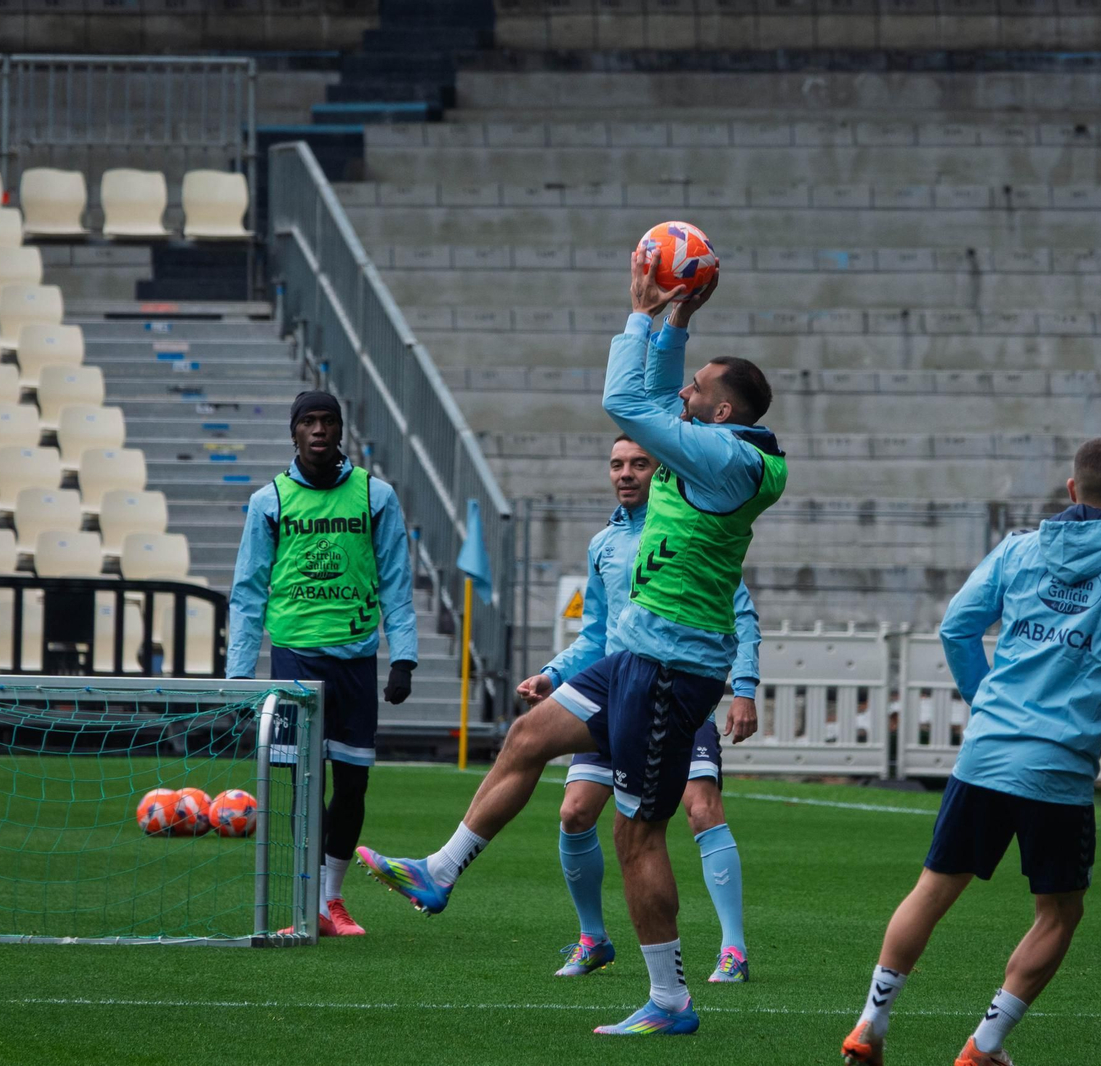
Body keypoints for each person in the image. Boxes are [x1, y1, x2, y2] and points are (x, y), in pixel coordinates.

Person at [358, 256, 786, 1037]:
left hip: (671, 670)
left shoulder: (729, 459)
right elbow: (655, 397)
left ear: (722, 414)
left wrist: (638, 313)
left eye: (697, 388)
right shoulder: (716, 443)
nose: (682, 394)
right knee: (529, 735)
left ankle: (670, 1001)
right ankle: (440, 872)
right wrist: (676, 318)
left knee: (636, 831)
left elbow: (626, 399)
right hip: (633, 653)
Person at [841, 437, 1101, 1066]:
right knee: (1059, 912)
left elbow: (956, 626)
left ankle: (869, 1025)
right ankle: (983, 1046)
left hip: (987, 754)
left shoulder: (1020, 549)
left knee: (932, 890)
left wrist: (985, 701)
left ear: (1071, 490)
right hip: (1058, 769)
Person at [521, 431, 761, 984]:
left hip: (675, 693)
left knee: (701, 807)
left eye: (639, 464)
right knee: (575, 812)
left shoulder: (687, 527)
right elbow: (596, 632)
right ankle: (592, 938)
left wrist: (743, 686)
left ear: (662, 470)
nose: (626, 473)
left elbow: (740, 614)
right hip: (612, 697)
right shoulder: (603, 543)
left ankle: (733, 948)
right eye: (616, 465)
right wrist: (554, 674)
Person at [226, 390, 418, 937]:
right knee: (299, 783)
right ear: (293, 433)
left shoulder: (374, 496)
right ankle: (306, 901)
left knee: (352, 785)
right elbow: (248, 593)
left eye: (327, 421)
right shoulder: (271, 501)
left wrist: (403, 656)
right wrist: (240, 677)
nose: (318, 431)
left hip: (356, 661)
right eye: (308, 422)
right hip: (294, 660)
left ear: (341, 430)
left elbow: (396, 582)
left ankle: (333, 902)